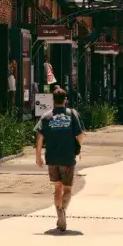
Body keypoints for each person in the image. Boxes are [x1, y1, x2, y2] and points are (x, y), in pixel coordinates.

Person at [35, 88, 84, 232]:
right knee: (67, 188)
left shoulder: (46, 116)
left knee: (57, 187)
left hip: (52, 157)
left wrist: (38, 156)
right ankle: (62, 210)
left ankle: (58, 214)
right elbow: (80, 135)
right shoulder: (72, 114)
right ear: (65, 99)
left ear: (52, 100)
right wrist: (78, 148)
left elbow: (40, 137)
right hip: (67, 157)